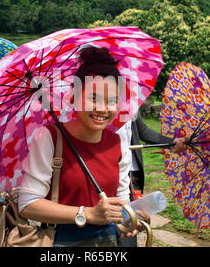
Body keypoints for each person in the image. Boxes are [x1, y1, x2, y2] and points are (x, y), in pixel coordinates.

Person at [17, 46, 149, 247]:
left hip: (110, 242)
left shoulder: (117, 142)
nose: (103, 109)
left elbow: (121, 198)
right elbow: (28, 204)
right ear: (73, 97)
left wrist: (130, 217)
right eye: (93, 98)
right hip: (62, 242)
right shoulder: (50, 138)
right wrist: (87, 213)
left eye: (112, 101)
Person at [116, 112, 186, 247]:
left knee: (130, 223)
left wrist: (170, 142)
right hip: (106, 172)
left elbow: (142, 130)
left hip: (131, 175)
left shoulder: (131, 100)